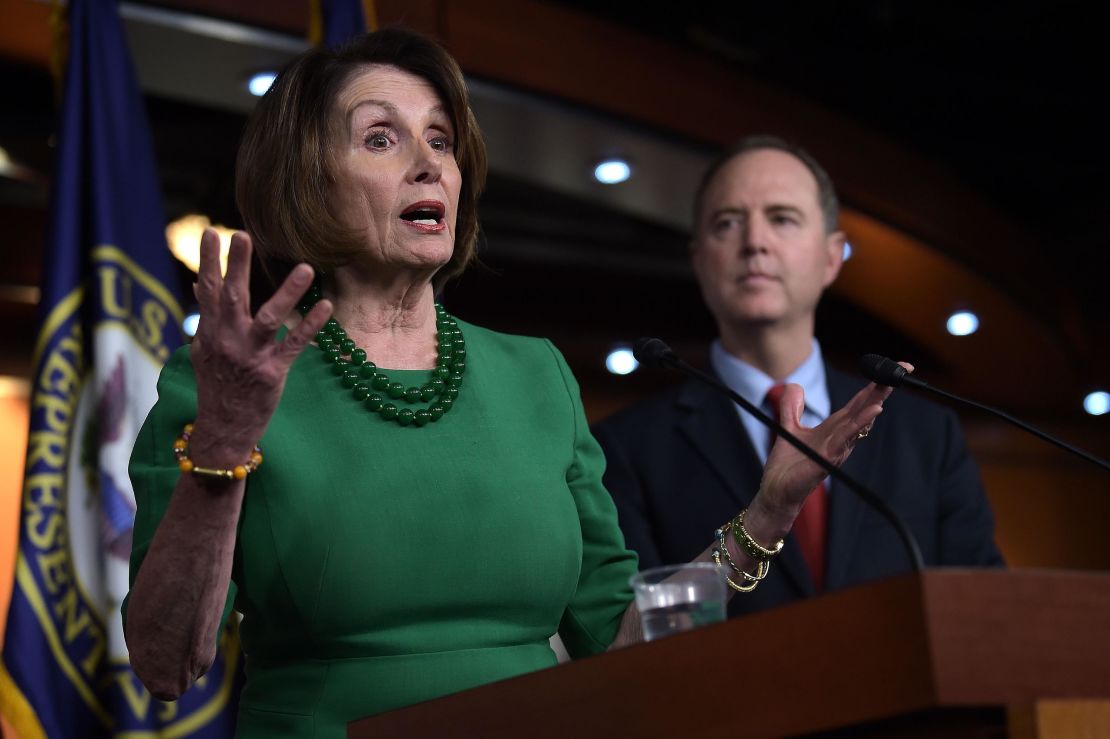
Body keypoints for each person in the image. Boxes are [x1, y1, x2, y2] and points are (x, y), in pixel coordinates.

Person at [123, 32, 897, 737]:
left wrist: (766, 514)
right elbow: (165, 663)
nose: (428, 163)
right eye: (382, 138)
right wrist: (222, 445)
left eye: (441, 139)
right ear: (307, 181)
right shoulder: (222, 384)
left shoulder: (536, 375)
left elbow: (623, 635)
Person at [593, 136, 1005, 619]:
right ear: (699, 259)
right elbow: (633, 637)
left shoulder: (927, 435)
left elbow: (986, 619)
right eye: (727, 223)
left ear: (833, 257)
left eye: (782, 218)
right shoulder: (625, 448)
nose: (755, 242)